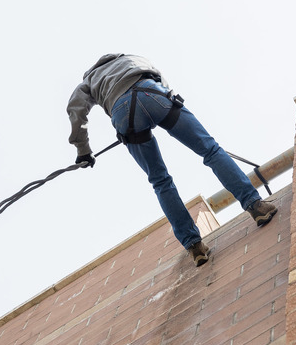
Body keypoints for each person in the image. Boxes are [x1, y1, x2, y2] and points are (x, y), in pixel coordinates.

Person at [67, 54, 277, 267]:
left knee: (160, 181)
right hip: (151, 93)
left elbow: (76, 110)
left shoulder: (89, 81)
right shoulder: (132, 58)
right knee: (210, 150)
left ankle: (194, 246)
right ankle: (256, 205)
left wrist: (83, 150)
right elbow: (160, 80)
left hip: (122, 114)